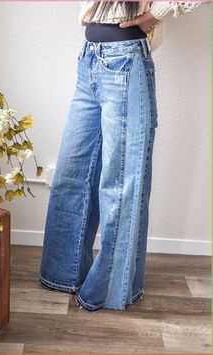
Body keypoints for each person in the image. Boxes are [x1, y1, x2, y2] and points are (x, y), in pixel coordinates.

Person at [38, 1, 206, 312]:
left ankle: (108, 290)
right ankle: (64, 275)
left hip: (126, 59)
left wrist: (157, 13)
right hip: (88, 58)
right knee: (71, 175)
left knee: (119, 184)